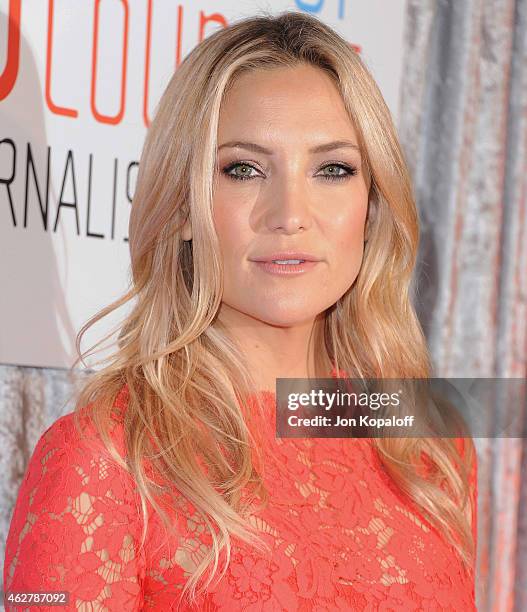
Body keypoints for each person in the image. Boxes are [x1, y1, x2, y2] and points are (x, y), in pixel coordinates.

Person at [3, 11, 477, 611]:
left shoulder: (427, 446)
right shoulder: (105, 457)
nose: (290, 213)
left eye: (333, 169)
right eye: (244, 169)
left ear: (373, 204)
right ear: (180, 207)